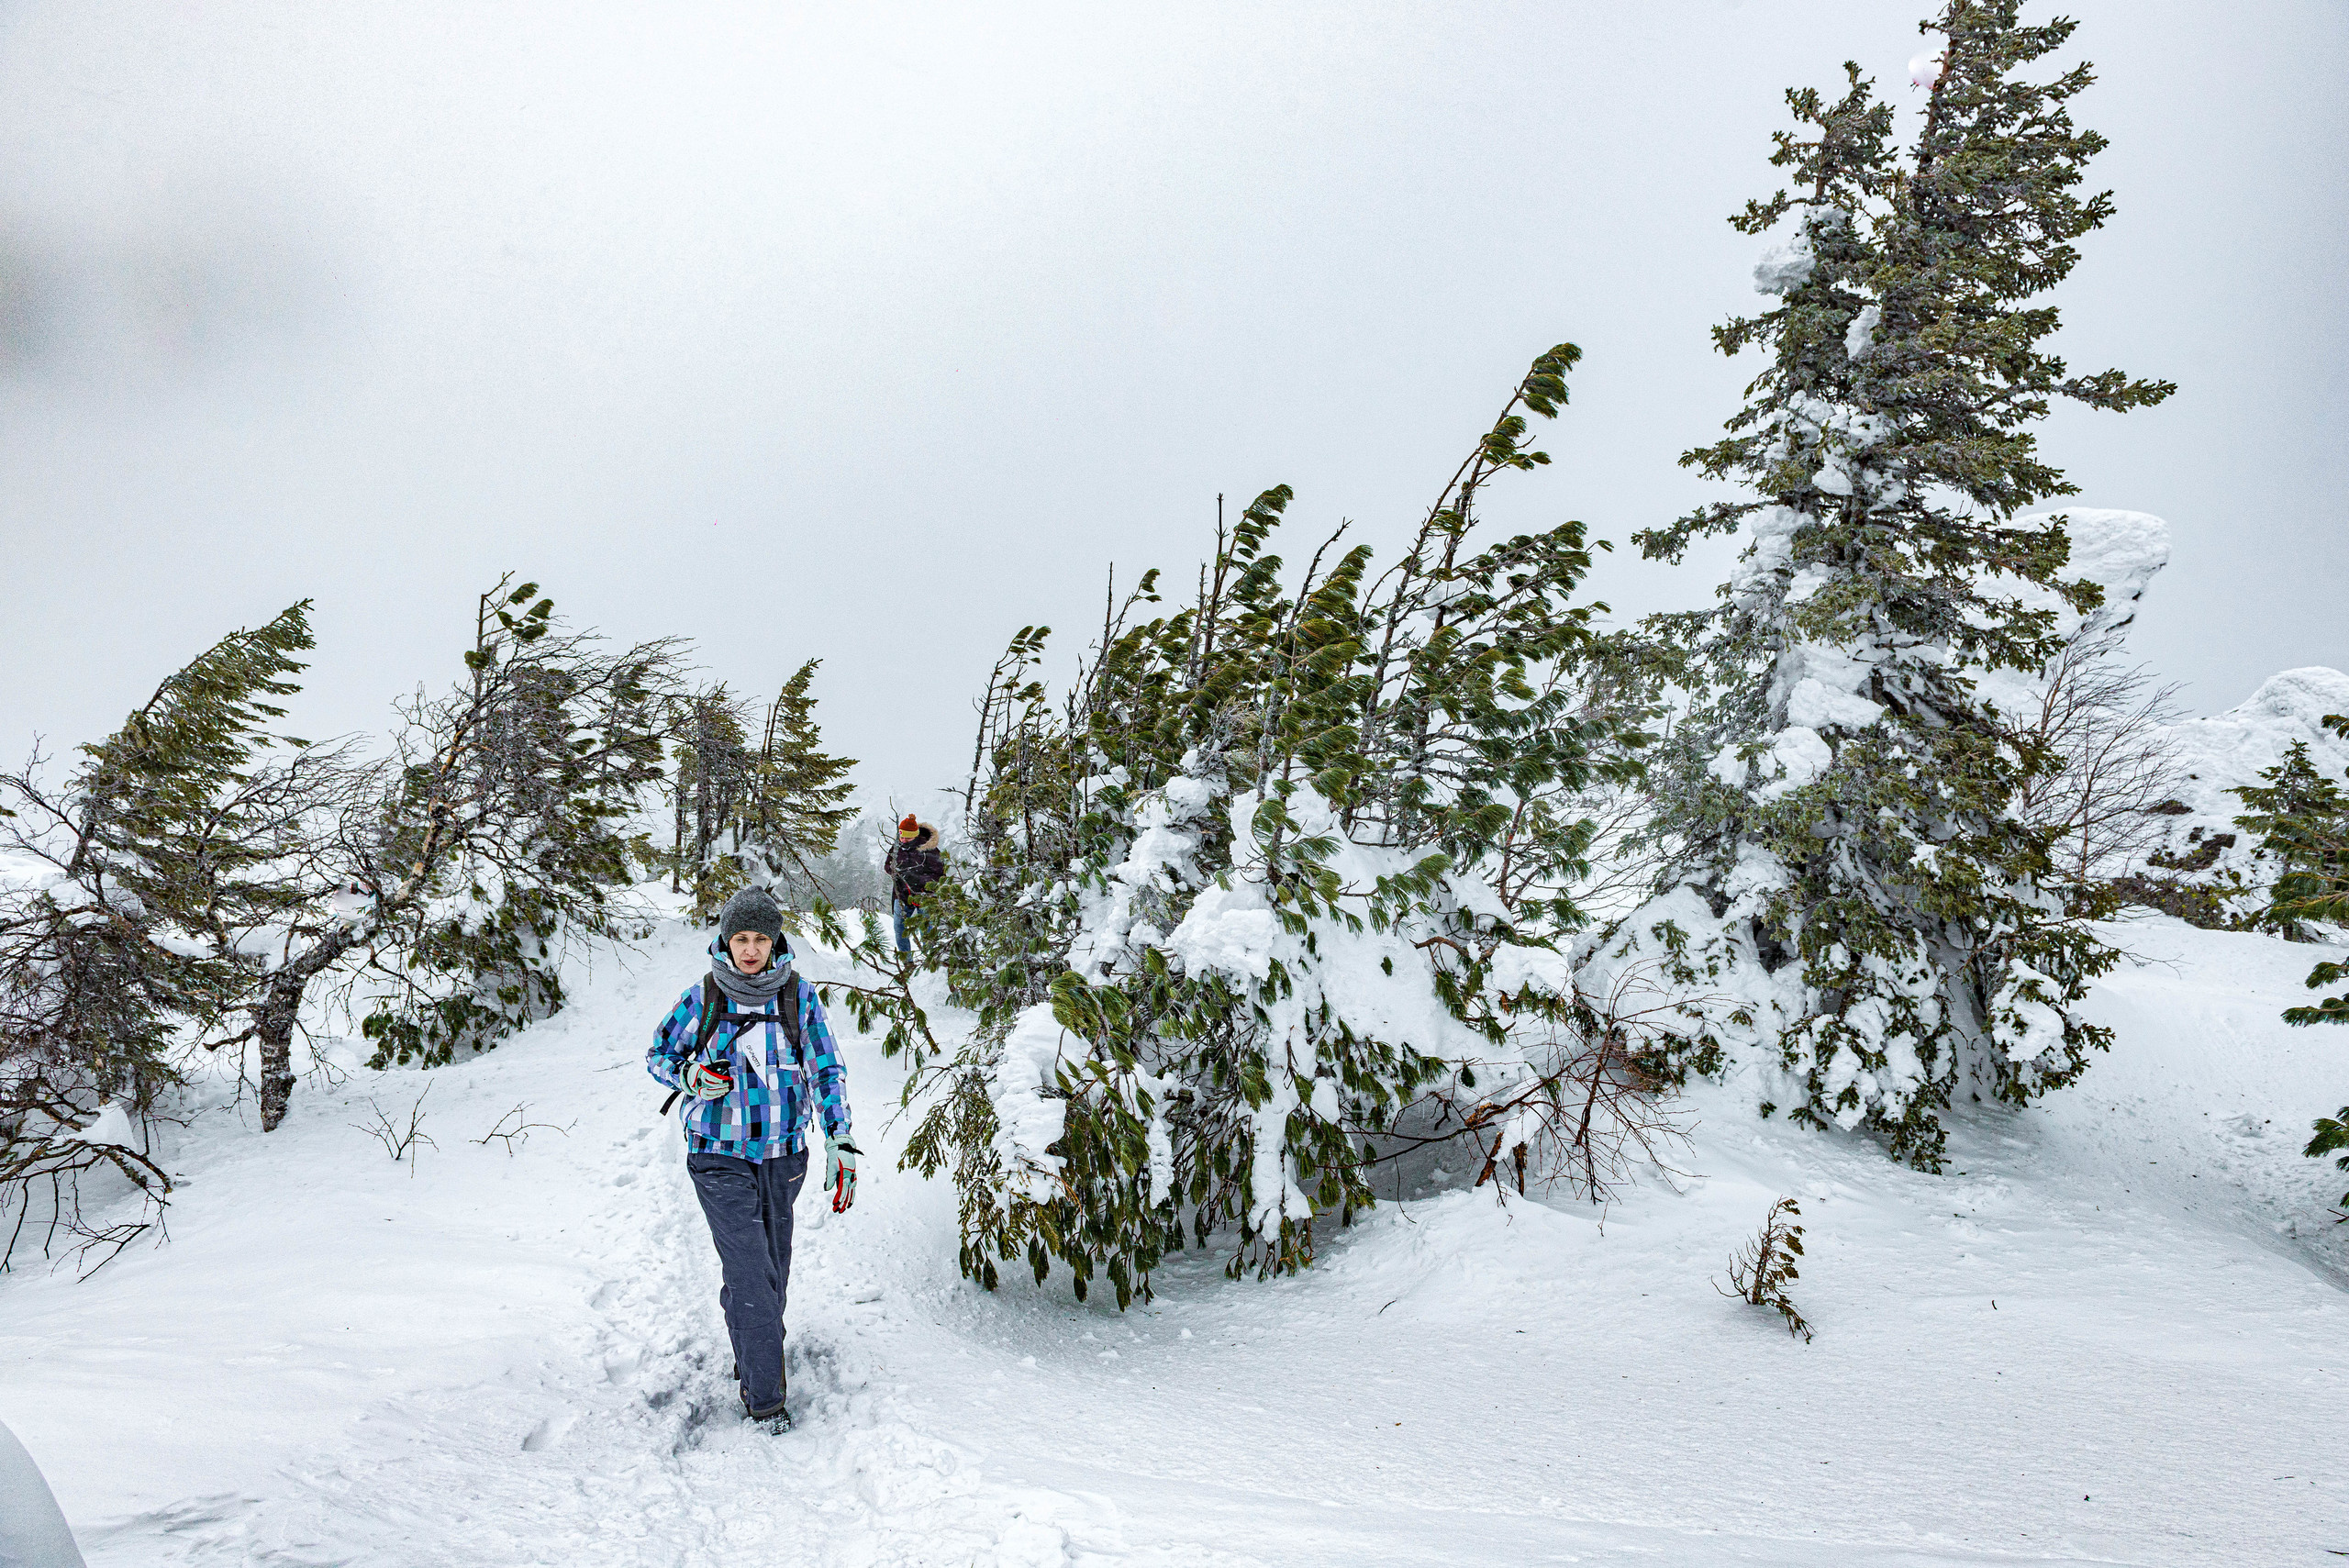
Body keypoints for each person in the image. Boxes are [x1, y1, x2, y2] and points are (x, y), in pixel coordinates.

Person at [647, 886, 856, 1429]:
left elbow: (827, 1070)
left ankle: (752, 1358)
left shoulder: (797, 997)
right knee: (747, 1268)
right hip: (717, 1155)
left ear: (774, 940)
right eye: (740, 938)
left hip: (785, 1154)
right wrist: (689, 1076)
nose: (749, 950)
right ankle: (766, 1400)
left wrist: (840, 1139)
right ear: (725, 938)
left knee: (770, 1272)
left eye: (760, 938)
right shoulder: (706, 995)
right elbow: (658, 1054)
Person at [883, 815, 944, 955]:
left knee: (927, 932)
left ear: (915, 836)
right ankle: (907, 962)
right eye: (902, 837)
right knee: (899, 929)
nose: (903, 841)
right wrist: (895, 871)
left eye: (907, 838)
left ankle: (928, 962)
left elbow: (939, 875)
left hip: (926, 897)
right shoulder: (897, 847)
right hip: (902, 895)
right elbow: (887, 865)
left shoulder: (930, 850)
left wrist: (916, 878)